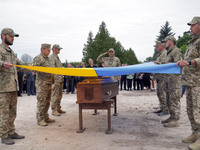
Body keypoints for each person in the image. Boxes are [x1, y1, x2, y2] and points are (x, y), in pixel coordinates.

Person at [176, 16, 200, 150]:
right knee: (191, 110)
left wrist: (189, 62)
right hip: (190, 81)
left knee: (198, 110)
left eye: (192, 25)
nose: (190, 28)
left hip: (198, 82)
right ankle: (195, 134)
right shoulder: (192, 42)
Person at [0, 28, 25, 145]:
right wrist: (2, 64)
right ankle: (4, 135)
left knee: (12, 111)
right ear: (3, 36)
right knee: (3, 112)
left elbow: (19, 65)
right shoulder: (0, 50)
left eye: (13, 36)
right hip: (3, 88)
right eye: (11, 36)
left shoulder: (11, 52)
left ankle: (11, 131)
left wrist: (33, 68)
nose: (13, 38)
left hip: (13, 86)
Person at [161, 36, 183, 127]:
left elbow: (179, 63)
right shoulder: (168, 53)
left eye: (165, 42)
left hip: (175, 81)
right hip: (168, 80)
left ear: (171, 41)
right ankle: (171, 116)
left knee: (174, 99)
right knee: (169, 99)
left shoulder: (176, 51)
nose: (164, 43)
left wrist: (167, 65)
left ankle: (175, 120)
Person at [33, 43, 55, 126]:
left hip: (49, 82)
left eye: (50, 49)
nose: (49, 51)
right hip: (41, 84)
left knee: (47, 101)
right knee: (41, 101)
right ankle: (40, 119)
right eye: (48, 49)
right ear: (42, 49)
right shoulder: (38, 58)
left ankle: (45, 116)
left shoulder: (48, 59)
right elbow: (34, 69)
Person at [153, 41, 169, 116]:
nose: (156, 48)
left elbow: (165, 63)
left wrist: (157, 63)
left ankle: (165, 110)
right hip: (159, 76)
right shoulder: (160, 54)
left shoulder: (165, 53)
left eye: (157, 46)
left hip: (163, 76)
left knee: (162, 93)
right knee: (159, 93)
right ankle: (162, 107)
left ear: (161, 46)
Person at [50, 44, 66, 116]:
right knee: (55, 94)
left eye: (59, 49)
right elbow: (52, 67)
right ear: (54, 49)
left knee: (59, 95)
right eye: (58, 49)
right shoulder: (52, 57)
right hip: (55, 79)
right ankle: (54, 110)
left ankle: (58, 107)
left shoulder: (57, 57)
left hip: (59, 78)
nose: (59, 50)